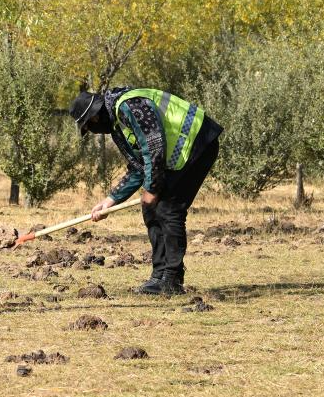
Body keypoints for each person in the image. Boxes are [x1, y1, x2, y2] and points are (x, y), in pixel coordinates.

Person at [68, 87, 222, 295]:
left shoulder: (130, 106)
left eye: (90, 125)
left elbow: (155, 147)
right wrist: (111, 200)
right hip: (182, 150)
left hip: (198, 142)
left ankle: (172, 280)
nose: (94, 130)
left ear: (95, 117)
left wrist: (153, 188)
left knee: (168, 208)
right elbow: (138, 167)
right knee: (150, 208)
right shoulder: (117, 122)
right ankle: (159, 275)